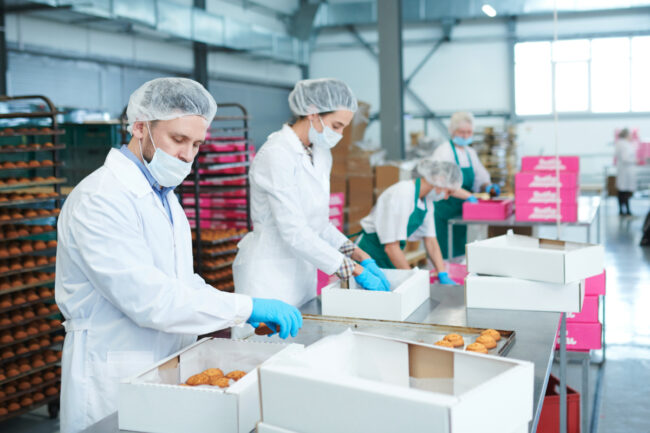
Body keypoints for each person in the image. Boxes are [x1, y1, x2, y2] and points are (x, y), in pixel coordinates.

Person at [55, 78, 302, 433]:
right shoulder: (100, 199)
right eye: (178, 139)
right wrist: (244, 307)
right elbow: (149, 299)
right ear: (140, 127)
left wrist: (240, 312)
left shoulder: (164, 196)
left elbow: (181, 283)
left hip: (161, 361)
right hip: (110, 370)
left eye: (197, 143)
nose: (188, 155)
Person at [233, 78, 390, 307]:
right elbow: (294, 231)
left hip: (301, 273)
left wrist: (359, 255)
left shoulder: (320, 153)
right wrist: (353, 270)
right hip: (269, 275)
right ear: (312, 112)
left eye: (344, 127)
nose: (341, 134)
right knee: (267, 341)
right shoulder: (276, 154)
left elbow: (320, 224)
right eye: (336, 126)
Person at [357, 160, 462, 284]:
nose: (446, 197)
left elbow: (431, 240)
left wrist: (442, 273)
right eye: (448, 192)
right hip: (369, 254)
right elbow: (391, 247)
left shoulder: (426, 200)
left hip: (389, 257)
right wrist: (413, 280)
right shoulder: (402, 193)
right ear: (440, 180)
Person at [431, 111, 500, 259]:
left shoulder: (470, 153)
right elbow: (444, 184)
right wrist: (468, 196)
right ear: (453, 131)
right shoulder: (444, 152)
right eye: (462, 132)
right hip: (444, 210)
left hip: (462, 212)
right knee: (444, 252)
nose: (465, 135)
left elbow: (480, 178)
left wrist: (487, 186)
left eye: (469, 132)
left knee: (460, 251)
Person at [615, 128, 637, 216]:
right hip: (625, 170)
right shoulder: (623, 144)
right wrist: (635, 160)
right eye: (630, 135)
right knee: (623, 191)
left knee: (624, 191)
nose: (631, 136)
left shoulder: (623, 143)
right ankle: (624, 211)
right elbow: (625, 158)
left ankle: (625, 210)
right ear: (627, 135)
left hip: (625, 170)